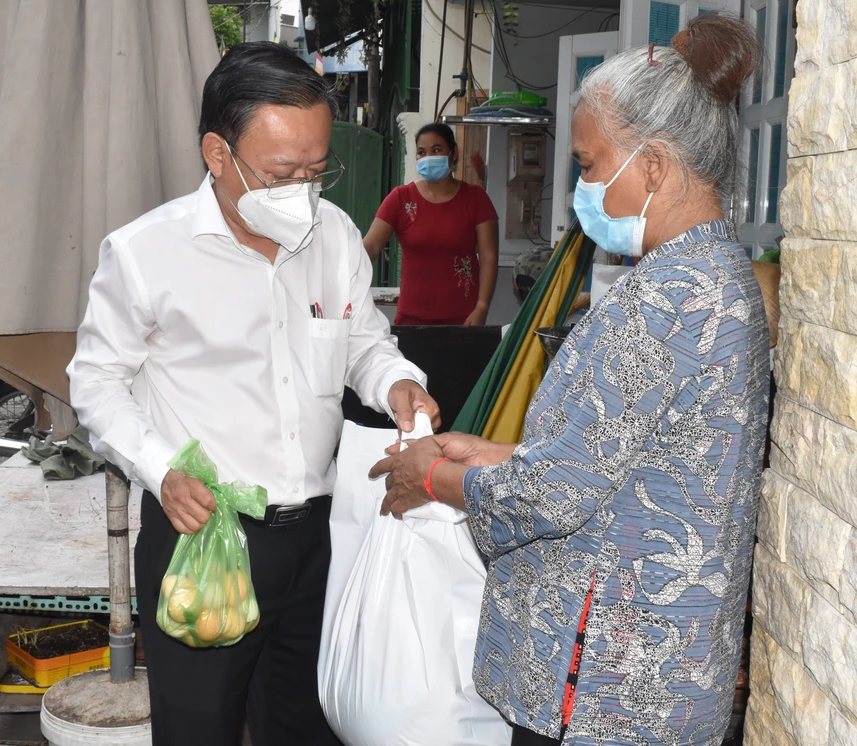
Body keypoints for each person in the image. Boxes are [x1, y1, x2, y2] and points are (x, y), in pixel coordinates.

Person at [370, 16, 768, 746]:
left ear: (651, 165)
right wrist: (488, 453)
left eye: (587, 166)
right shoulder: (711, 276)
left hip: (609, 685)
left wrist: (431, 478)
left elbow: (555, 494)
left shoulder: (671, 298)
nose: (581, 188)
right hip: (643, 670)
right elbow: (623, 464)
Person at [68, 42, 440, 746]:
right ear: (217, 153)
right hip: (206, 538)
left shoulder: (331, 234)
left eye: (315, 170)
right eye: (281, 172)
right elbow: (95, 382)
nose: (302, 189)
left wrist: (397, 383)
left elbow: (360, 341)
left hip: (318, 538)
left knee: (307, 724)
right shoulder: (146, 253)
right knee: (200, 728)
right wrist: (159, 469)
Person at [363, 123, 498, 326]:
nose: (428, 157)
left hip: (465, 320)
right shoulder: (401, 198)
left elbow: (489, 257)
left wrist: (482, 307)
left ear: (453, 154)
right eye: (421, 152)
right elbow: (370, 247)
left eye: (436, 150)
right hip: (411, 321)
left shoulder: (475, 198)